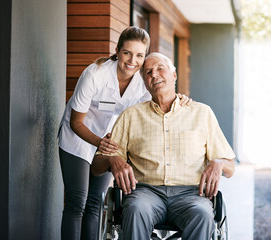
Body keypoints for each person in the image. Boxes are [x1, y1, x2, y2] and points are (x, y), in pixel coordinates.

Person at [58, 27, 192, 240]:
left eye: (140, 55)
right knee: (77, 201)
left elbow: (160, 101)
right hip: (79, 138)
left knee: (96, 202)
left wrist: (181, 99)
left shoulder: (143, 80)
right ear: (118, 50)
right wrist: (101, 144)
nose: (132, 60)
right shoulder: (95, 74)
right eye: (127, 52)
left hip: (111, 141)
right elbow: (76, 122)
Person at [91, 52, 236, 240]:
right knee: (135, 209)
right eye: (148, 72)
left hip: (191, 195)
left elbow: (230, 168)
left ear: (174, 75)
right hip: (145, 193)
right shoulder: (131, 116)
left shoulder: (202, 113)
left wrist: (218, 162)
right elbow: (96, 167)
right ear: (144, 82)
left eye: (160, 68)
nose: (155, 75)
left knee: (202, 214)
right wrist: (112, 159)